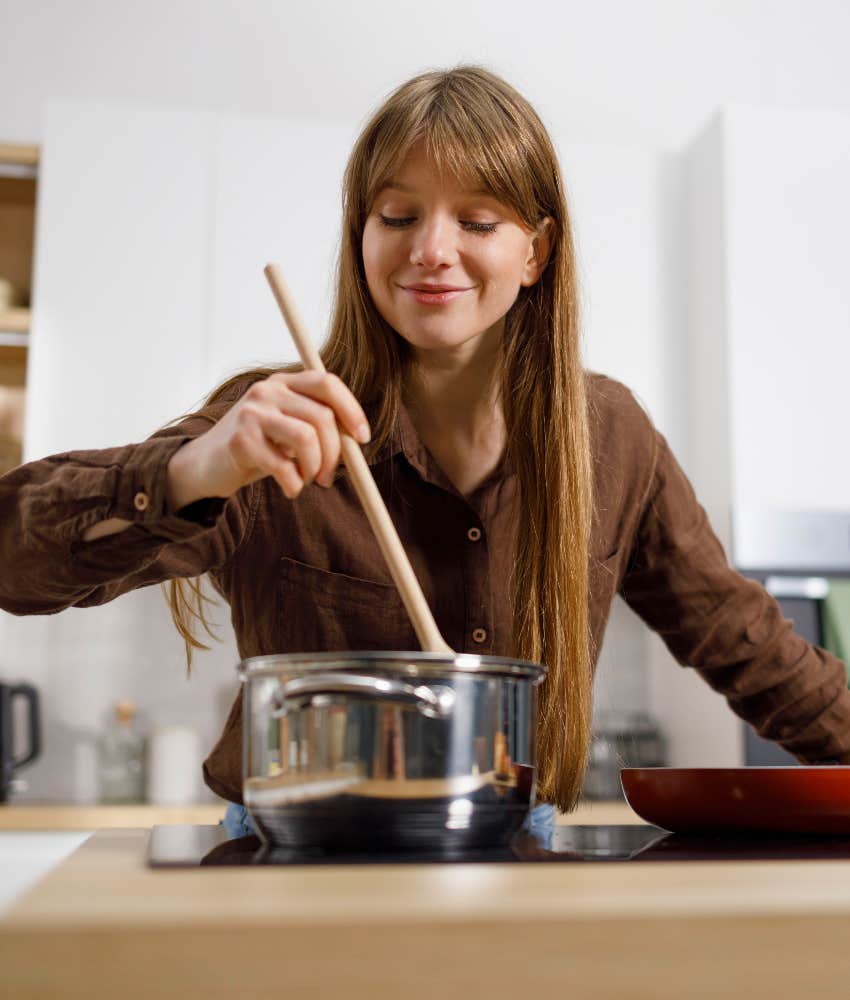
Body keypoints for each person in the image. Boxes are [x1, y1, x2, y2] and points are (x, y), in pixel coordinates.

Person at [2, 67, 849, 841]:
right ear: (361, 234)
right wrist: (197, 468)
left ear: (536, 251)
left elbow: (751, 646)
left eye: (477, 219)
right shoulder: (272, 420)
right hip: (291, 857)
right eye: (397, 216)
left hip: (519, 846)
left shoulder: (612, 437)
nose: (429, 250)